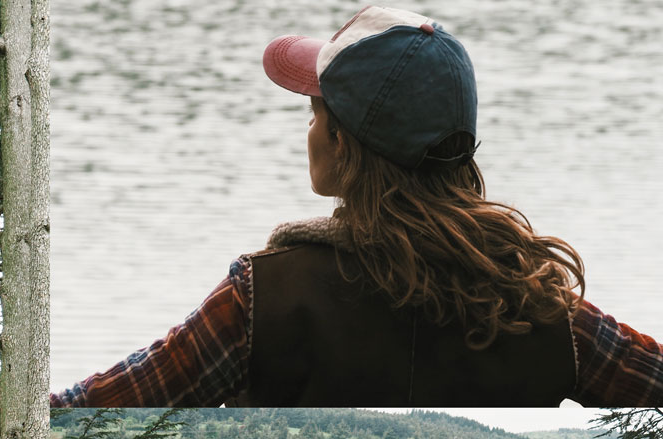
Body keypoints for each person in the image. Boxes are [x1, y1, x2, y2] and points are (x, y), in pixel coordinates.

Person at [52, 6, 663, 408]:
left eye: (313, 112)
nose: (310, 128)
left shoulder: (264, 295)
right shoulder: (542, 305)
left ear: (344, 142)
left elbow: (101, 410)